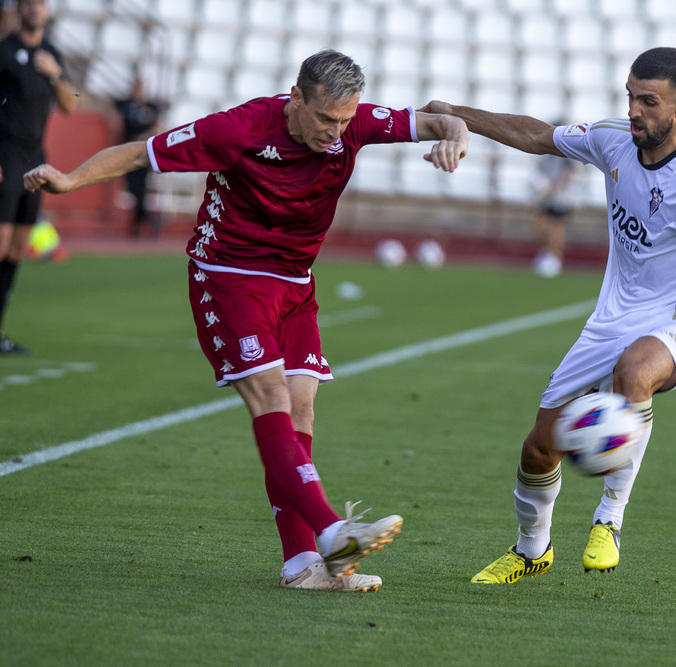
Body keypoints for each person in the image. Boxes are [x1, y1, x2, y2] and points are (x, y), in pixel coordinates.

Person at [24, 49, 469, 592]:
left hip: (296, 285)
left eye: (345, 121)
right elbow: (140, 155)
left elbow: (438, 119)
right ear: (296, 97)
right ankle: (331, 531)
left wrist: (455, 134)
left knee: (302, 410)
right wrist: (70, 181)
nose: (337, 133)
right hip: (229, 277)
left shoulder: (356, 125)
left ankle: (302, 567)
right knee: (271, 398)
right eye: (326, 119)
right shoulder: (238, 129)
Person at [422, 46, 676, 584]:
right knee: (539, 449)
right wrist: (457, 113)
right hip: (610, 320)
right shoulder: (615, 139)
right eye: (631, 96)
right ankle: (531, 551)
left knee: (634, 372)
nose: (635, 110)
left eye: (649, 101)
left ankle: (608, 520)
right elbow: (538, 136)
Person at [0, 0, 77, 354]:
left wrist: (55, 74)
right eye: (28, 3)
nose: (35, 8)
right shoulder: (5, 50)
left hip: (35, 162)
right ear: (20, 10)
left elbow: (70, 103)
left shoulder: (51, 54)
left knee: (17, 250)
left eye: (40, 3)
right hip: (7, 158)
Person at [114, 73, 162, 238]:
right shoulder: (125, 104)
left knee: (140, 189)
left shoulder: (152, 107)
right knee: (134, 188)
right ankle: (150, 221)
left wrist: (142, 139)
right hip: (127, 153)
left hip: (145, 153)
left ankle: (138, 226)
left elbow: (158, 128)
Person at [530, 150, 577, 277]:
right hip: (545, 196)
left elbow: (571, 173)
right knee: (538, 221)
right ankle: (546, 251)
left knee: (556, 225)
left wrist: (555, 187)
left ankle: (555, 258)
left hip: (560, 196)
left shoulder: (564, 153)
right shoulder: (546, 154)